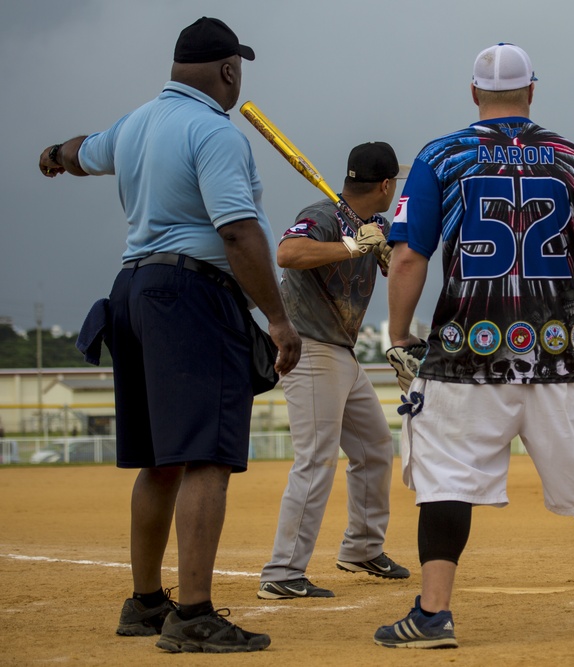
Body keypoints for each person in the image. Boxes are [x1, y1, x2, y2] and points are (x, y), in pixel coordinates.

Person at [37, 17, 301, 653]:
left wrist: (53, 156)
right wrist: (278, 318)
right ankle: (195, 614)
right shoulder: (215, 132)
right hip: (189, 295)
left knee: (161, 460)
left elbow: (81, 150)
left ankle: (147, 601)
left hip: (132, 292)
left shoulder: (135, 124)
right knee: (207, 455)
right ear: (229, 70)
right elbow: (237, 230)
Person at [374, 43, 574, 649]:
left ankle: (433, 615)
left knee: (446, 479)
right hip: (558, 352)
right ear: (532, 92)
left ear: (474, 93)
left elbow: (408, 255)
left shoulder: (442, 156)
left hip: (465, 353)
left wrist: (398, 334)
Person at [258, 142, 410, 600]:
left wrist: (384, 253)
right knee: (317, 459)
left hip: (342, 351)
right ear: (384, 186)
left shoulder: (375, 223)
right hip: (309, 348)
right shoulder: (323, 215)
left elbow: (391, 265)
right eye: (393, 184)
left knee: (375, 448)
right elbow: (287, 253)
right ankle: (282, 572)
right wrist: (349, 244)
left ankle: (362, 548)